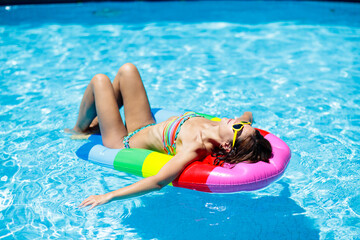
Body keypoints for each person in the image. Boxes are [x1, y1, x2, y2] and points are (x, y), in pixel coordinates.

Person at [67, 63, 272, 210]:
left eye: (238, 127)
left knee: (100, 80)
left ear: (227, 146)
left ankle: (80, 129)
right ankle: (102, 117)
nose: (237, 121)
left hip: (122, 141)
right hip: (144, 126)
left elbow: (157, 182)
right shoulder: (222, 124)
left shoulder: (194, 147)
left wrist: (108, 196)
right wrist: (248, 119)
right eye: (241, 124)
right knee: (128, 70)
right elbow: (247, 116)